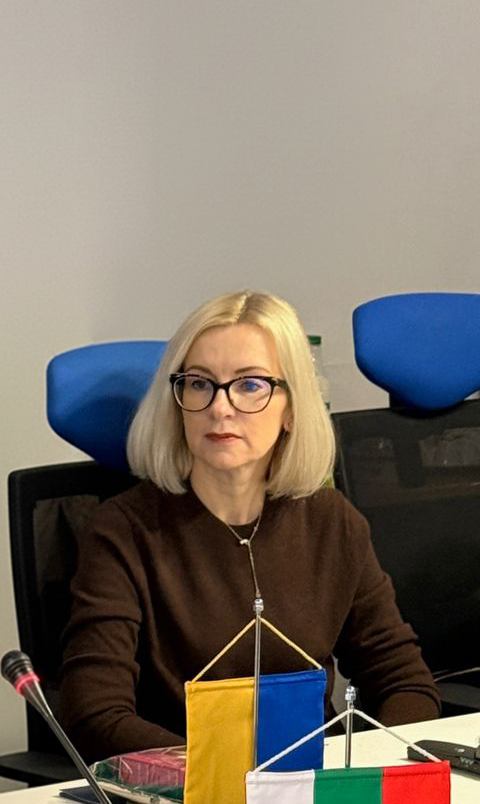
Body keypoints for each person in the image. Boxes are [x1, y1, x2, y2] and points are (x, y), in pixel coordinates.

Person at [57, 291, 440, 762]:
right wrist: (221, 778)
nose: (220, 407)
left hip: (311, 787)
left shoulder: (332, 521)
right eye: (199, 383)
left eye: (250, 385)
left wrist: (367, 772)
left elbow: (404, 683)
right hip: (181, 792)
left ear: (291, 408)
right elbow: (94, 713)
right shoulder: (124, 530)